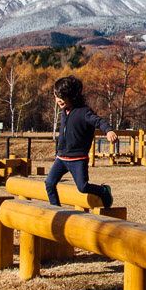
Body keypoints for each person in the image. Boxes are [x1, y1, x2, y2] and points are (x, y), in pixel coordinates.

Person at [45, 76, 118, 208]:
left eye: (61, 97)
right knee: (49, 183)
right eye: (56, 96)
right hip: (61, 157)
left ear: (72, 96)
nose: (58, 100)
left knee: (83, 187)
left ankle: (103, 190)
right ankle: (55, 210)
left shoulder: (83, 112)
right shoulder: (64, 112)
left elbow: (99, 121)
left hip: (77, 158)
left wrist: (108, 131)